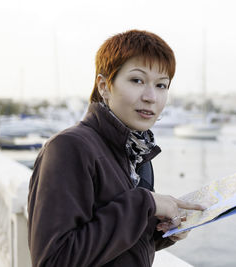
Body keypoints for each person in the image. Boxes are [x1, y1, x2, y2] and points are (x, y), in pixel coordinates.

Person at [27, 29, 205, 267]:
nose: (151, 97)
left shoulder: (135, 151)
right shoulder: (69, 147)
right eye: (137, 80)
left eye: (161, 85)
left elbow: (110, 243)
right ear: (104, 86)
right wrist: (146, 204)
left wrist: (163, 231)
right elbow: (55, 259)